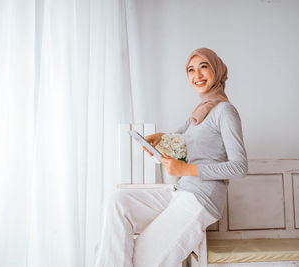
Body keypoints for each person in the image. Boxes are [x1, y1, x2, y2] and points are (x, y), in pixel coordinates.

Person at [94, 48, 248, 267]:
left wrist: (185, 170)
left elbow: (239, 167)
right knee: (117, 202)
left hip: (201, 200)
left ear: (217, 70)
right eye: (191, 70)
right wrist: (160, 139)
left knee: (141, 261)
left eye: (204, 67)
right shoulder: (201, 110)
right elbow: (181, 138)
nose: (197, 75)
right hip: (181, 192)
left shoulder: (225, 111)